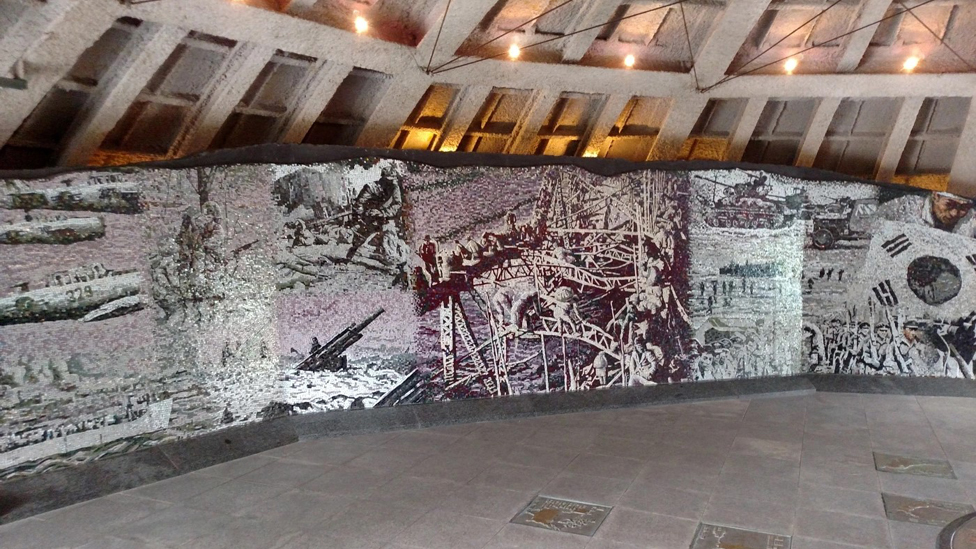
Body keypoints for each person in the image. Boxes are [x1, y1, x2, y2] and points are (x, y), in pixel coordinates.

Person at [875, 191, 975, 237]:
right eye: (949, 204)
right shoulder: (905, 207)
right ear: (936, 196)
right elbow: (874, 225)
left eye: (963, 208)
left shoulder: (971, 220)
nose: (954, 213)